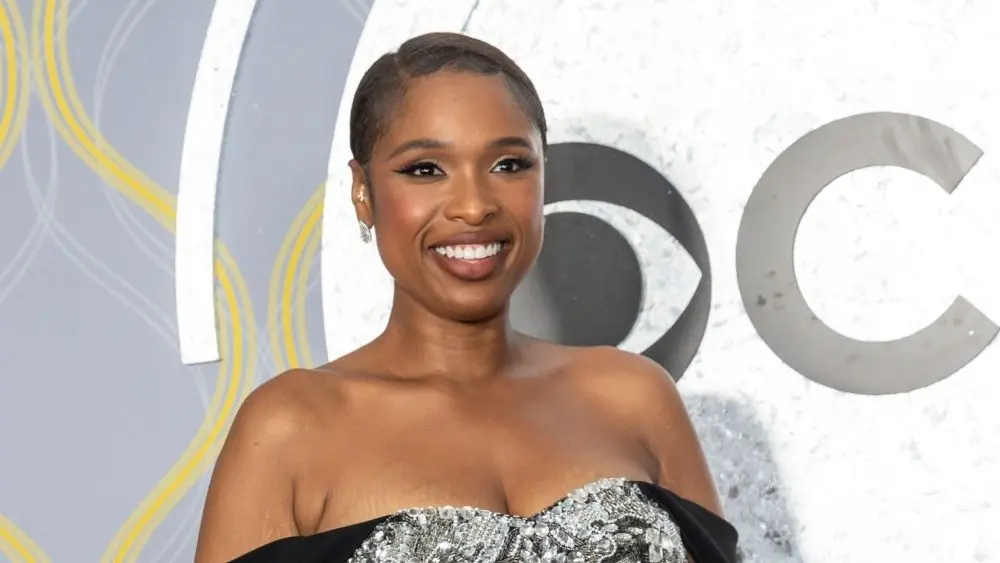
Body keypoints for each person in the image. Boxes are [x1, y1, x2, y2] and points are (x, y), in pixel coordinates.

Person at [194, 32, 738, 563]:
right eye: (425, 170)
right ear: (363, 192)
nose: (474, 206)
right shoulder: (291, 427)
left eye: (508, 165)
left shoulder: (635, 398)